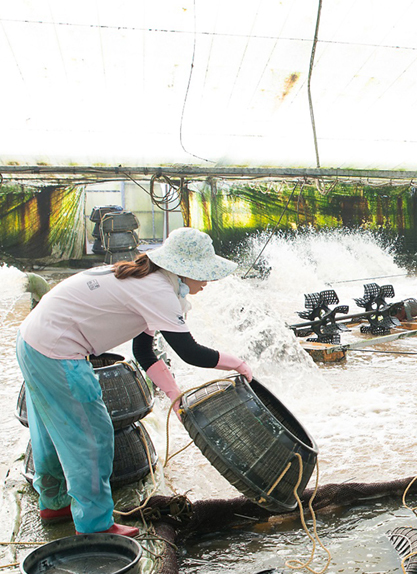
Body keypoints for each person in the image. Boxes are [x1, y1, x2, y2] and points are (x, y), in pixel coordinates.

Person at [16, 227, 252, 536]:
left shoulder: (147, 280)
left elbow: (142, 350)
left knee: (49, 430)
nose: (208, 281)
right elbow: (189, 352)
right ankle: (95, 526)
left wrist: (174, 394)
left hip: (32, 341)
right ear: (183, 269)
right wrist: (238, 363)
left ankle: (55, 503)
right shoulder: (159, 291)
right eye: (204, 272)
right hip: (58, 351)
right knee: (92, 436)